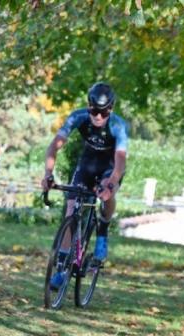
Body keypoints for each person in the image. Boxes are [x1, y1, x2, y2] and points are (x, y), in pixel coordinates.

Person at [41, 82, 128, 289]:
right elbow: (54, 146)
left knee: (108, 193)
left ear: (111, 109)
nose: (98, 116)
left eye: (104, 112)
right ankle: (62, 268)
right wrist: (48, 175)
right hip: (88, 164)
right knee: (71, 210)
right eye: (94, 110)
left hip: (110, 166)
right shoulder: (77, 117)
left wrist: (111, 184)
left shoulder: (117, 126)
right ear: (88, 106)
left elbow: (120, 162)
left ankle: (104, 229)